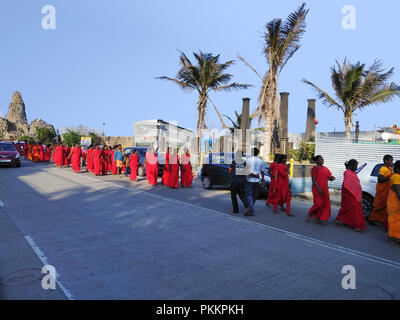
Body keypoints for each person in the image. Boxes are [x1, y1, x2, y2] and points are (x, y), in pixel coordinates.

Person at [334, 159, 366, 232]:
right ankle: (356, 225)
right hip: (349, 192)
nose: (356, 166)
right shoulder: (347, 173)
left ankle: (340, 219)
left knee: (349, 208)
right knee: (351, 208)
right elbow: (347, 184)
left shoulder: (352, 172)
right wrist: (354, 191)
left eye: (356, 165)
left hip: (353, 192)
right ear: (350, 165)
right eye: (355, 165)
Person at [307, 155, 336, 224]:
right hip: (317, 188)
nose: (322, 160)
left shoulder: (325, 168)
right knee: (318, 204)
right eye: (320, 159)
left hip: (325, 188)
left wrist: (331, 178)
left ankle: (318, 218)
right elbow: (313, 180)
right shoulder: (314, 168)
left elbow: (328, 177)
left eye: (322, 158)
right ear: (317, 161)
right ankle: (310, 213)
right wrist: (319, 189)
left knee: (325, 204)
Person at [368, 155, 394, 228]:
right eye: (391, 160)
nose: (392, 162)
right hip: (382, 191)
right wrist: (391, 176)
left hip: (387, 190)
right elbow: (380, 179)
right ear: (386, 161)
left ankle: (382, 220)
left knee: (385, 207)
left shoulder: (390, 168)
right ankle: (371, 218)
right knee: (379, 206)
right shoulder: (383, 168)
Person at [244, 147, 265, 216]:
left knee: (248, 194)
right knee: (254, 196)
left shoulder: (248, 160)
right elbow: (262, 172)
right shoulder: (261, 161)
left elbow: (246, 171)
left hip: (249, 180)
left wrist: (252, 175)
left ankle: (250, 209)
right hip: (257, 181)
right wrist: (262, 181)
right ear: (258, 153)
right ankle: (250, 208)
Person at [387, 160, 400, 246]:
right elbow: (399, 192)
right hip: (395, 202)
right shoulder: (396, 177)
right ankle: (394, 237)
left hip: (395, 201)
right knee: (395, 220)